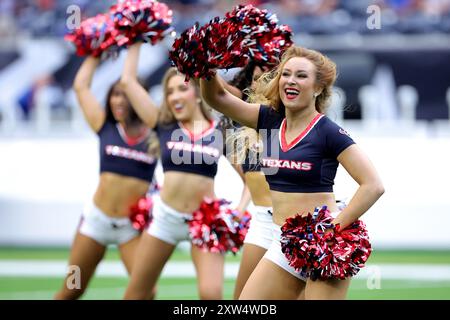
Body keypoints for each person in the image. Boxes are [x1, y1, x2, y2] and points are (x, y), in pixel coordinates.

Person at [200, 45, 385, 299]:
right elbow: (217, 98)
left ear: (318, 88)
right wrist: (203, 63)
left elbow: (373, 185)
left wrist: (330, 230)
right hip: (283, 240)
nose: (291, 80)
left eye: (301, 75)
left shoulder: (327, 131)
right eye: (286, 74)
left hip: (324, 243)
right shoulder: (268, 120)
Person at [122, 43, 244, 300]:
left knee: (211, 295)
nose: (175, 96)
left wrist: (237, 214)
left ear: (198, 92)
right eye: (169, 92)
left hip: (204, 223)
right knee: (136, 294)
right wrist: (135, 40)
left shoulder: (219, 129)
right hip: (165, 218)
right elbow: (128, 83)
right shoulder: (162, 123)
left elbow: (250, 182)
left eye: (182, 88)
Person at [54, 50, 159, 299]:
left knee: (145, 292)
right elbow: (81, 87)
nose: (118, 101)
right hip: (95, 223)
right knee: (72, 289)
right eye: (114, 95)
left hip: (129, 228)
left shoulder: (156, 134)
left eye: (125, 95)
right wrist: (96, 51)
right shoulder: (105, 126)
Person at [221, 62, 275, 299]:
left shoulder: (294, 119)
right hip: (263, 221)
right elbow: (249, 182)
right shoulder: (242, 134)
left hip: (297, 223)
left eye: (268, 77)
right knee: (241, 299)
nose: (260, 83)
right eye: (255, 78)